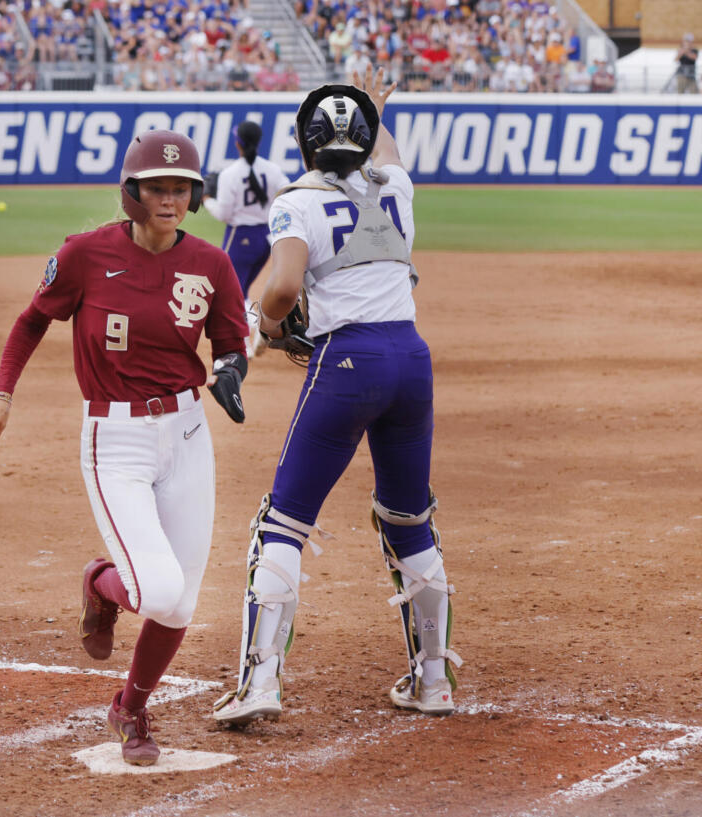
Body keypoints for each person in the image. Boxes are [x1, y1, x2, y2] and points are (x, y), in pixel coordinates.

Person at [0, 130, 249, 766]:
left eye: (180, 188)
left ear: (195, 194)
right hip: (114, 439)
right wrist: (1, 394)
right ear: (132, 192)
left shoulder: (212, 263)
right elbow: (32, 319)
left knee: (182, 602)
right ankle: (99, 581)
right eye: (156, 187)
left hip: (189, 433)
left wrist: (230, 371)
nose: (169, 198)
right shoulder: (85, 255)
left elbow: (230, 342)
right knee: (156, 591)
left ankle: (130, 708)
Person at [211, 66, 462, 727]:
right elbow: (388, 153)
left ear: (307, 145)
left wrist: (266, 325)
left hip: (347, 360)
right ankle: (433, 679)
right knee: (408, 518)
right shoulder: (398, 189)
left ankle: (260, 682)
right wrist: (372, 108)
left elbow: (283, 287)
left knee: (284, 520)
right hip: (412, 357)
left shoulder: (299, 200)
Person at [202, 120, 290, 357]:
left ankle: (246, 342)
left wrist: (207, 199)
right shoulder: (271, 169)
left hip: (240, 238)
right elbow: (287, 193)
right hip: (266, 238)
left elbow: (224, 214)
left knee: (230, 295)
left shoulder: (231, 174)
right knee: (241, 291)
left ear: (237, 143)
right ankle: (257, 327)